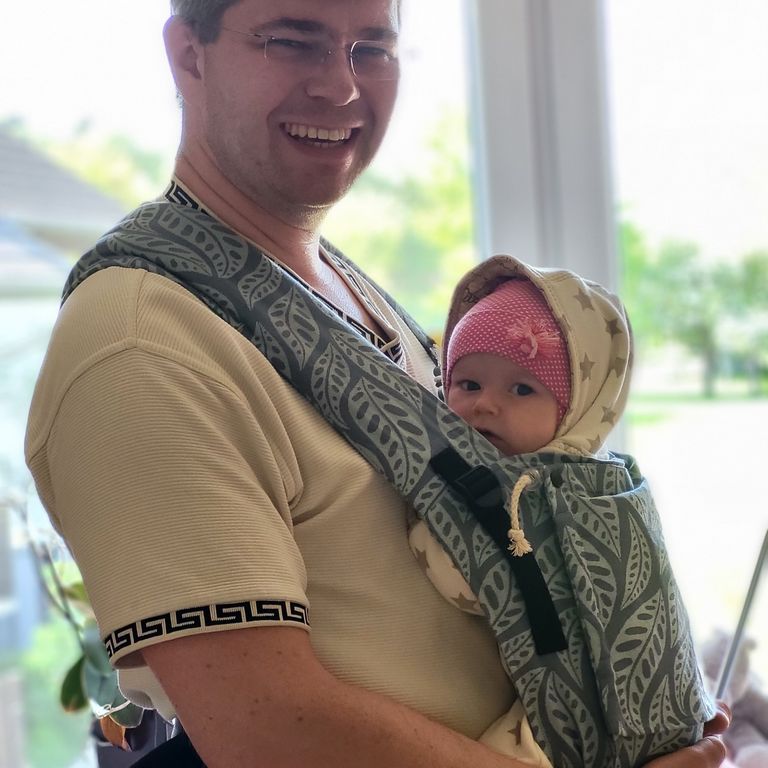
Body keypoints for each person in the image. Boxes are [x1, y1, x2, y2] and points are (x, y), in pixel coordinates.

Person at [24, 1, 729, 766]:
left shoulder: (337, 289)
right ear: (189, 54)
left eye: (373, 48)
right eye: (292, 40)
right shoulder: (140, 340)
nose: (342, 86)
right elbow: (269, 730)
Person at [408, 254, 690, 765]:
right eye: (468, 384)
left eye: (522, 389)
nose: (485, 405)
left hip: (586, 717)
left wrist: (418, 520)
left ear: (576, 407)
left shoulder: (539, 490)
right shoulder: (610, 472)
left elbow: (464, 583)